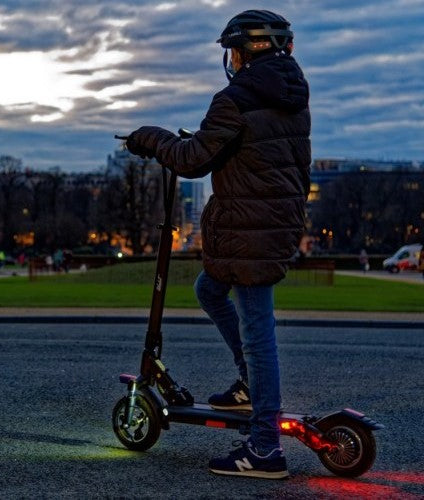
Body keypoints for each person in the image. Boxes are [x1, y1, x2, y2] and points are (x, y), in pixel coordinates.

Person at [125, 10, 309, 479]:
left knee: (258, 333)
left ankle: (265, 449)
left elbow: (191, 162)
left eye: (232, 50)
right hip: (273, 223)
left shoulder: (236, 97)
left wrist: (151, 138)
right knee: (210, 290)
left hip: (248, 230)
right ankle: (248, 383)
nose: (229, 60)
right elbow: (261, 154)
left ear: (246, 52)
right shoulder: (291, 96)